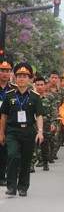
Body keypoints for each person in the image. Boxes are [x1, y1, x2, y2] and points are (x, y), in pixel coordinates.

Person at [0, 63, 44, 197]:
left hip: (28, 131)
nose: (22, 79)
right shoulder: (9, 95)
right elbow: (4, 116)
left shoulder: (35, 97)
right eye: (19, 76)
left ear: (30, 79)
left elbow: (39, 115)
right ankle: (11, 186)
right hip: (12, 131)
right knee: (13, 156)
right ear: (15, 78)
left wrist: (40, 131)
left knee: (26, 159)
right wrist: (1, 133)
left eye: (25, 76)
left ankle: (23, 186)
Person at [45, 71, 64, 162]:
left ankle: (52, 155)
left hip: (59, 117)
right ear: (49, 78)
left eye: (56, 78)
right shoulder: (45, 89)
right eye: (52, 77)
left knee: (56, 137)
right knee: (47, 137)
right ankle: (46, 156)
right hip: (47, 116)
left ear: (58, 79)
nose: (54, 79)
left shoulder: (63, 91)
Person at [0, 58, 15, 186]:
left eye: (7, 71)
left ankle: (2, 176)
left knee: (4, 151)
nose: (5, 73)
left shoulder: (14, 89)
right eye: (2, 70)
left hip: (7, 123)